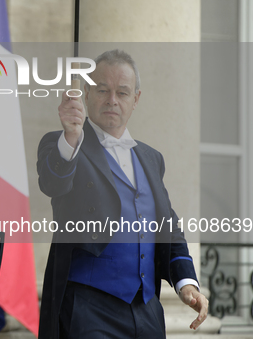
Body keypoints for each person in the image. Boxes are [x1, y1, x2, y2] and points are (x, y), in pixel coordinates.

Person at [36, 49, 208, 338]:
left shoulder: (151, 158)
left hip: (146, 311)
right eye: (102, 89)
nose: (112, 100)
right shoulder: (64, 144)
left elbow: (168, 229)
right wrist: (70, 136)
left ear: (136, 99)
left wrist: (186, 283)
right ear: (87, 93)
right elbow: (53, 184)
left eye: (123, 92)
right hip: (88, 311)